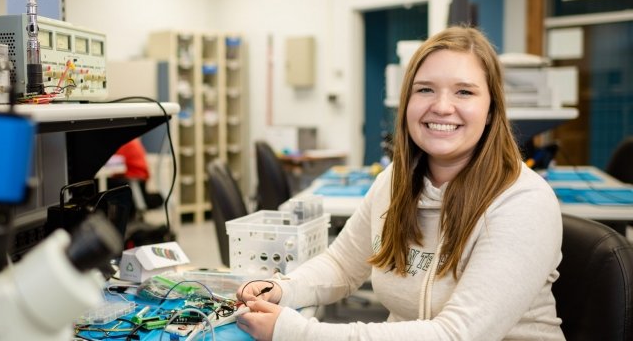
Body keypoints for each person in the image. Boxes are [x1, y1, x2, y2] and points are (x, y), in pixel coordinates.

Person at [235, 26, 564, 340]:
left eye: (464, 91)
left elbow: (458, 335)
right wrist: (281, 288)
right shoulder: (395, 181)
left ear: (492, 109)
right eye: (425, 89)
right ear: (406, 102)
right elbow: (342, 264)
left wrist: (298, 333)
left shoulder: (524, 202)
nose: (442, 107)